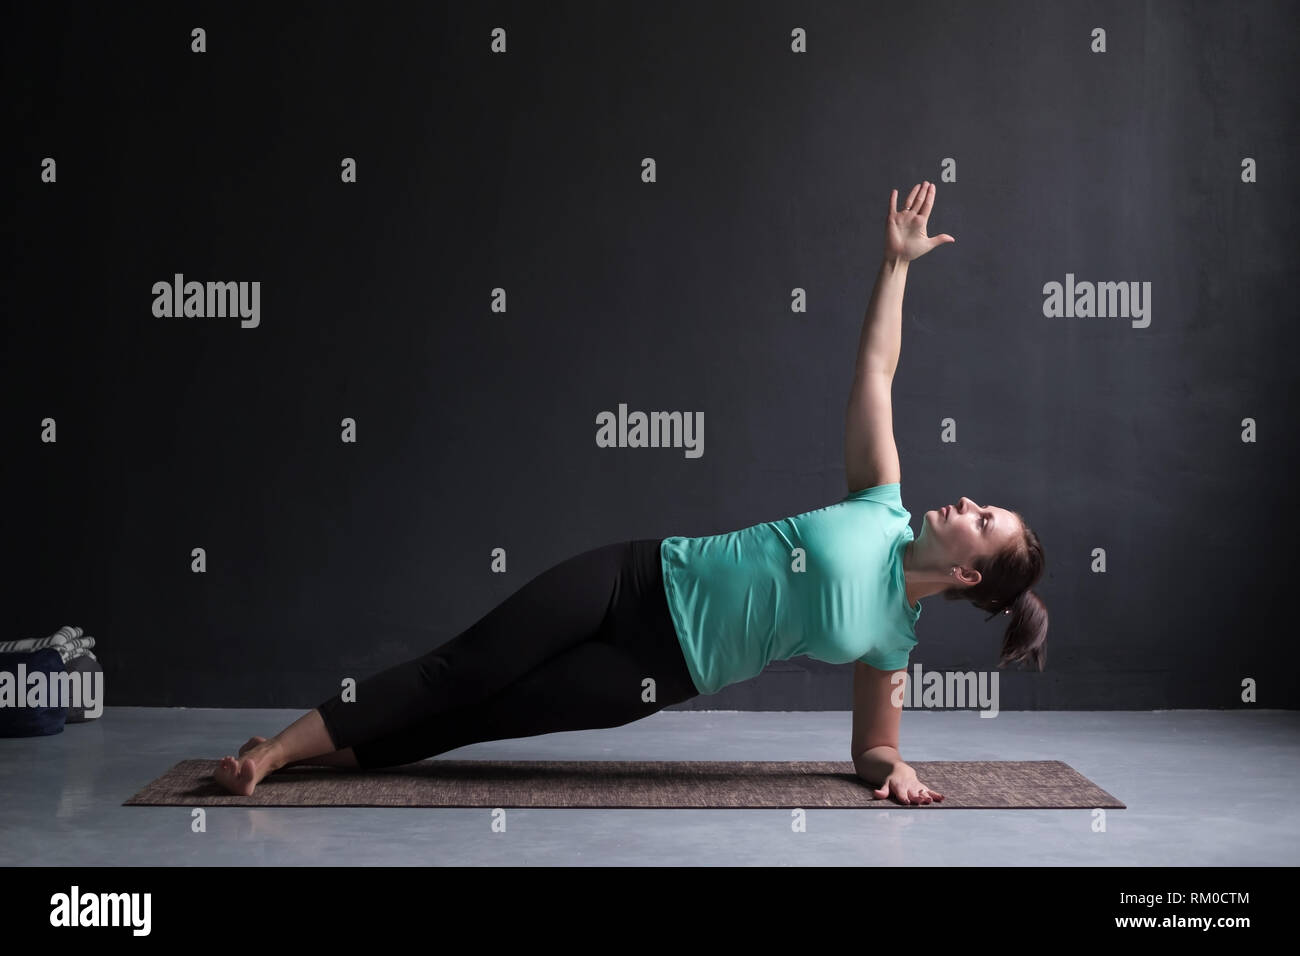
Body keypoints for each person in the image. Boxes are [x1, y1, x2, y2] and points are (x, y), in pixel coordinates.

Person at [215, 181, 1048, 805]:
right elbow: (877, 370)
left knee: (477, 716)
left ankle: (303, 755)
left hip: (654, 670)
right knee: (459, 670)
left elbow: (870, 747)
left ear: (971, 575)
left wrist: (894, 768)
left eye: (985, 521)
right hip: (639, 575)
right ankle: (277, 753)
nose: (970, 504)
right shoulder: (882, 502)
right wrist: (897, 265)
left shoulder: (889, 643)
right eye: (982, 503)